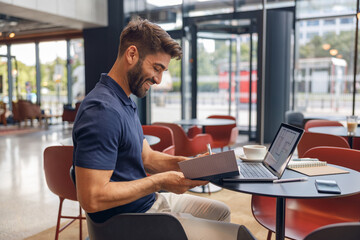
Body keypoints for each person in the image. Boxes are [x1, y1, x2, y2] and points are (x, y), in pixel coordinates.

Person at [72, 17, 254, 240]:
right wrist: (160, 181)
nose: (158, 79)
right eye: (156, 68)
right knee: (238, 236)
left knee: (220, 212)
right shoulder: (102, 111)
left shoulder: (123, 101)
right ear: (131, 54)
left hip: (146, 204)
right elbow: (91, 198)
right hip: (130, 222)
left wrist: (191, 165)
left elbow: (147, 157)